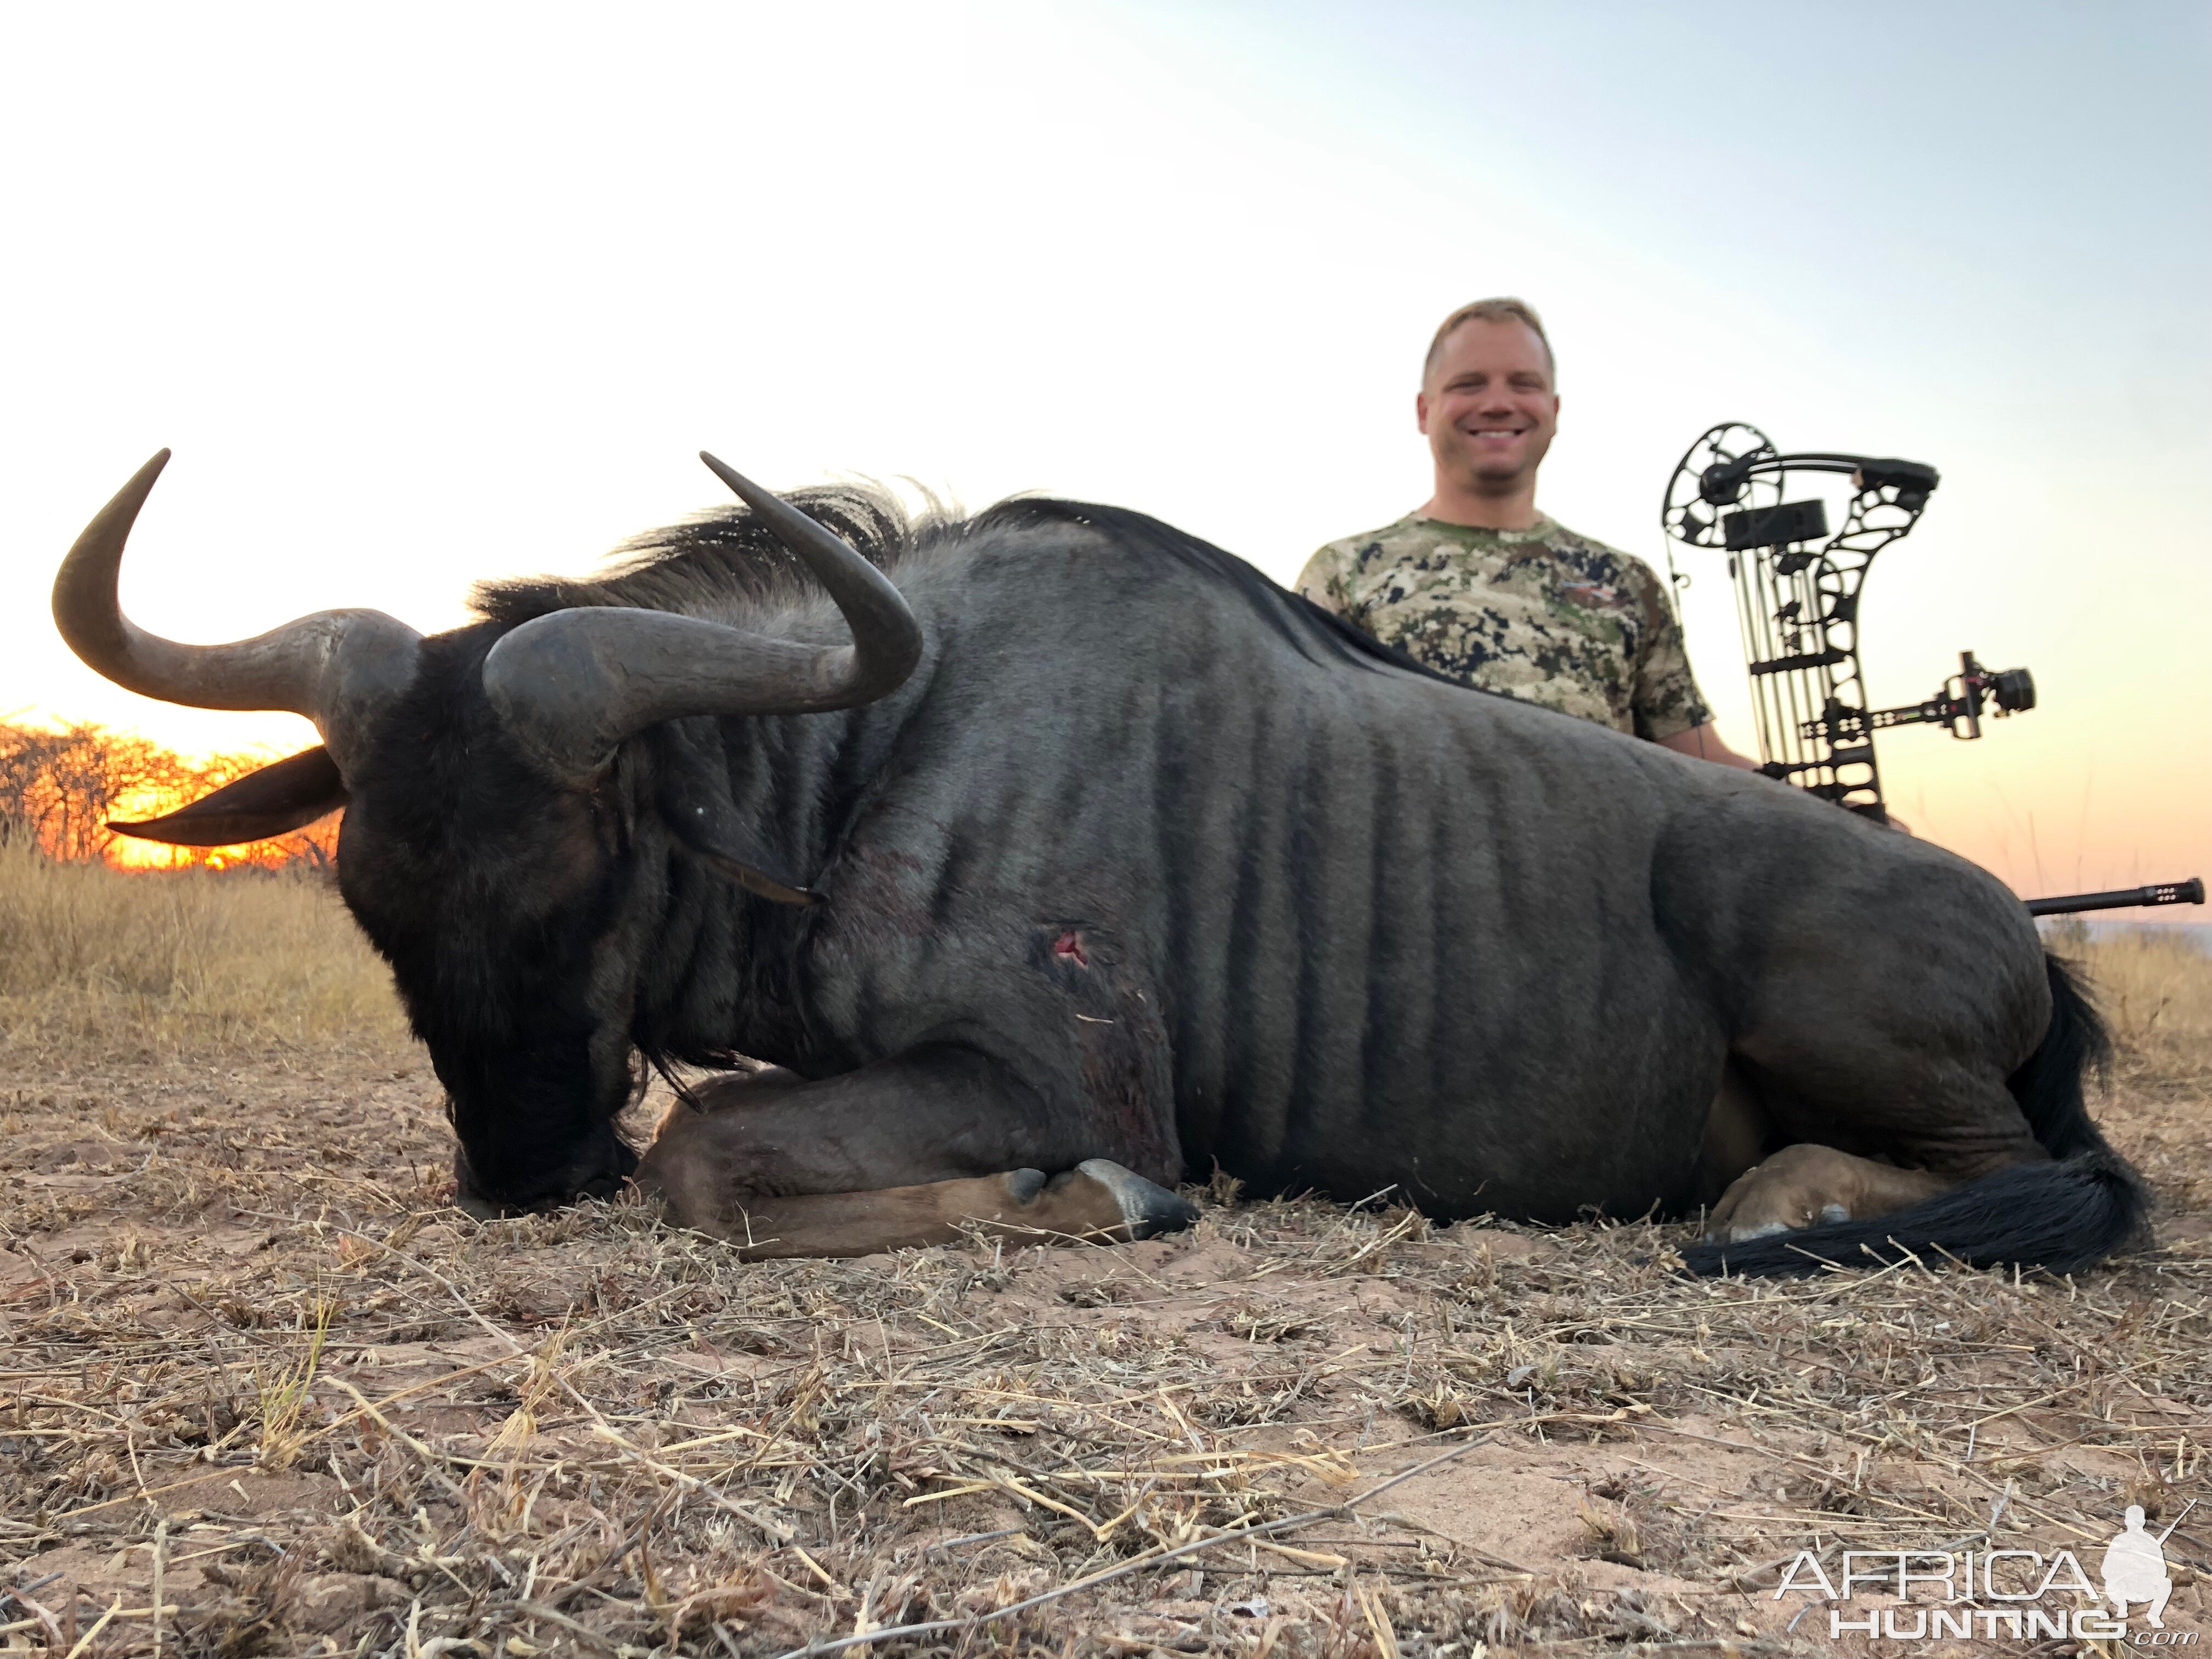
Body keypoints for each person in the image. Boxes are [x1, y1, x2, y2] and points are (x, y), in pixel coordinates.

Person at [1298, 297, 1757, 768]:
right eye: (1469, 384)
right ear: (1423, 410)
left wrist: (1827, 816)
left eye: (1524, 384)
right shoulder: (1345, 574)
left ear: (1554, 410)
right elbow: (1298, 752)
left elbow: (1705, 765)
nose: (1498, 404)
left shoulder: (1626, 582)